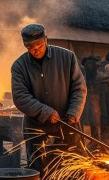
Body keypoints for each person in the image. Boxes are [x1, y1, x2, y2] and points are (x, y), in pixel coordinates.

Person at [11, 24, 87, 168]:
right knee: (38, 168)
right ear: (24, 45)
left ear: (46, 39)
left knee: (73, 165)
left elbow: (79, 88)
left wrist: (74, 112)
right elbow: (20, 97)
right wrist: (45, 112)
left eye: (39, 45)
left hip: (67, 123)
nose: (35, 50)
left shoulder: (67, 57)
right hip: (36, 126)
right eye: (29, 47)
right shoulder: (19, 66)